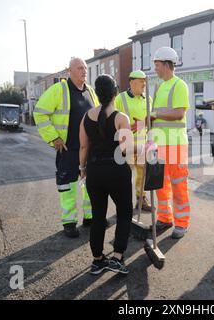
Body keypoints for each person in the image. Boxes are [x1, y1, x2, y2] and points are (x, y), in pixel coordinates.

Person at [79, 74, 152, 275]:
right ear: (114, 93)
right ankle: (117, 258)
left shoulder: (86, 117)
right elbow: (126, 149)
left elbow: (84, 147)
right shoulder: (121, 118)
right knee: (124, 213)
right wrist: (145, 145)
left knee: (98, 215)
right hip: (116, 171)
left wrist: (82, 170)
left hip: (94, 172)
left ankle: (97, 260)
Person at [34, 57, 99, 238]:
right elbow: (39, 113)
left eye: (85, 68)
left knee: (90, 185)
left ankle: (90, 217)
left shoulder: (91, 92)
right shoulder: (59, 90)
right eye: (79, 68)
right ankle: (69, 222)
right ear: (69, 71)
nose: (84, 71)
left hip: (88, 149)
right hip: (68, 150)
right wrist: (54, 137)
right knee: (68, 187)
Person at [149, 47, 191, 239]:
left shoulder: (179, 85)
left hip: (175, 145)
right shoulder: (159, 87)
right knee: (160, 184)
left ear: (166, 64)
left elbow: (178, 113)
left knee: (178, 185)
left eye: (157, 65)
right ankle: (165, 218)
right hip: (159, 144)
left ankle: (181, 223)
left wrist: (155, 114)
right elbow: (156, 116)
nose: (155, 69)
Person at [114, 70, 152, 212]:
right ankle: (123, 205)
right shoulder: (120, 98)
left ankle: (141, 200)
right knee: (124, 175)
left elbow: (149, 120)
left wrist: (140, 125)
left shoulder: (148, 98)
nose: (144, 83)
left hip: (142, 144)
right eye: (141, 80)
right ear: (132, 82)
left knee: (141, 174)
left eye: (145, 81)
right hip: (125, 145)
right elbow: (113, 120)